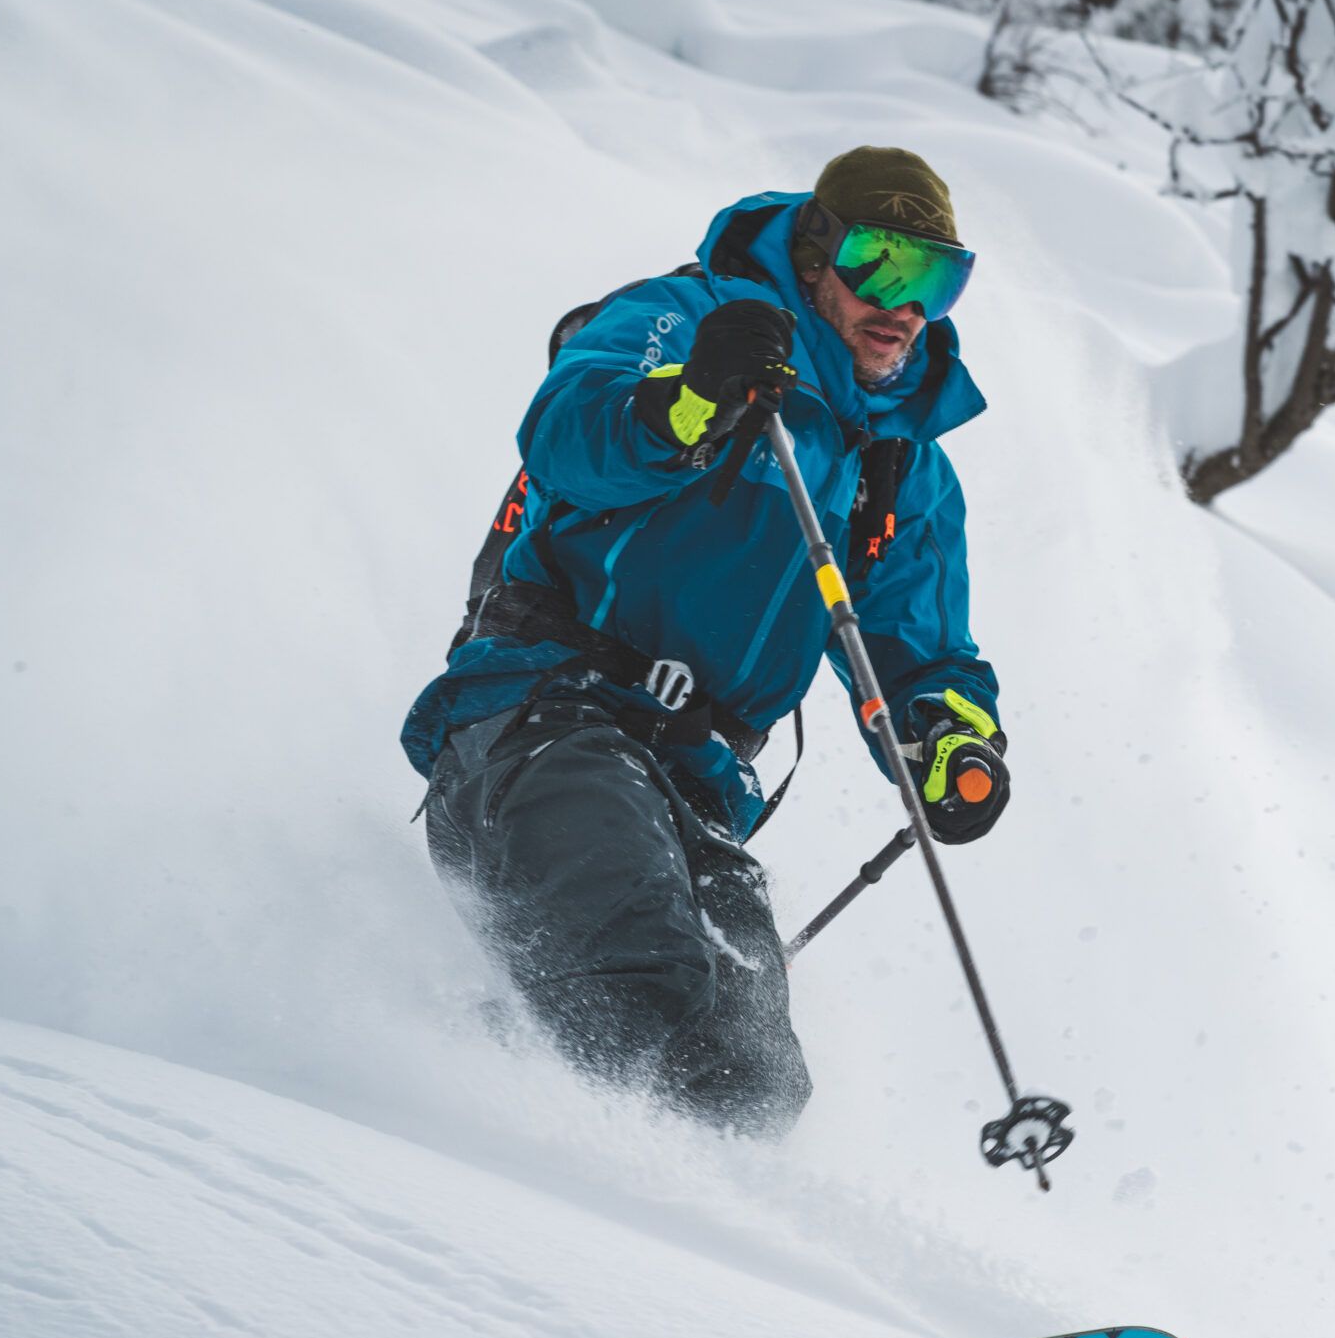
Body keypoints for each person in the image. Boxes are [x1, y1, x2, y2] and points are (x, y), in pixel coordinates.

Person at [400, 148, 1007, 1130]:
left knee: (755, 1078)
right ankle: (542, 1209)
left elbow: (918, 649)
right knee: (647, 987)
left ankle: (634, 1218)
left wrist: (946, 738)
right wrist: (694, 400)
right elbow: (566, 429)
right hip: (542, 720)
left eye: (935, 279)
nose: (905, 306)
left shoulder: (902, 467)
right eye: (881, 267)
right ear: (815, 257)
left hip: (697, 786)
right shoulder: (685, 319)